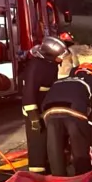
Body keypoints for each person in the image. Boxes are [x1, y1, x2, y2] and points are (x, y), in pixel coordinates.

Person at [41, 62, 92, 176]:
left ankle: (59, 181)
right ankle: (85, 180)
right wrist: (91, 126)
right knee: (81, 150)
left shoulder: (60, 80)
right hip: (75, 111)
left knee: (55, 151)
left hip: (49, 112)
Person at [21, 36, 69, 174]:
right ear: (50, 54)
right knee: (37, 143)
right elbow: (29, 92)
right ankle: (36, 174)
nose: (61, 59)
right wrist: (33, 116)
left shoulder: (50, 64)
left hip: (46, 108)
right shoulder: (35, 66)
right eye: (60, 56)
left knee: (48, 141)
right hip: (35, 109)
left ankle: (47, 169)